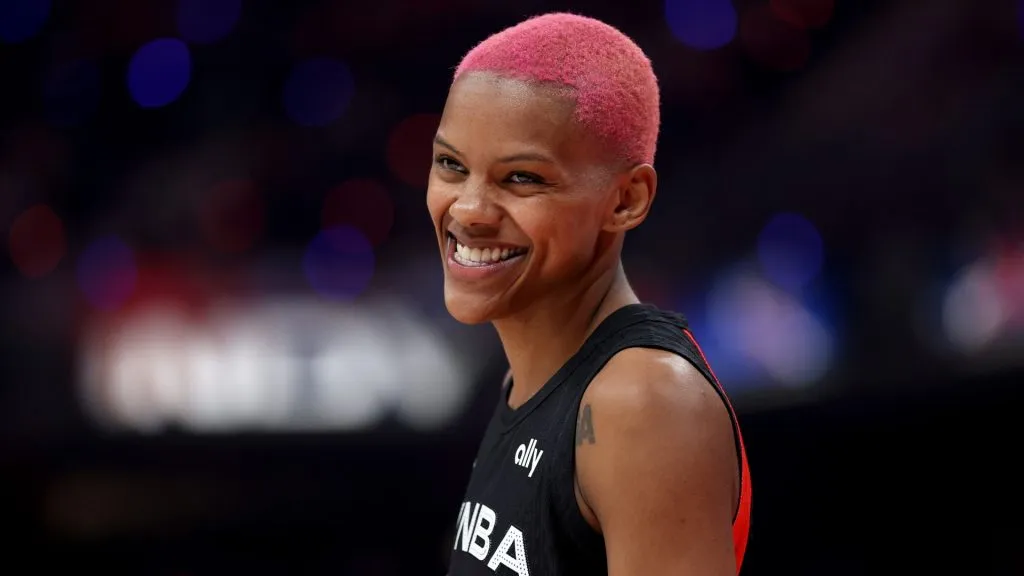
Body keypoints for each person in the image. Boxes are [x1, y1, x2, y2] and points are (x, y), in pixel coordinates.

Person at [427, 12, 751, 576]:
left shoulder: (642, 405)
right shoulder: (532, 378)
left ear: (627, 199)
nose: (469, 210)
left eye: (522, 178)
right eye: (451, 165)